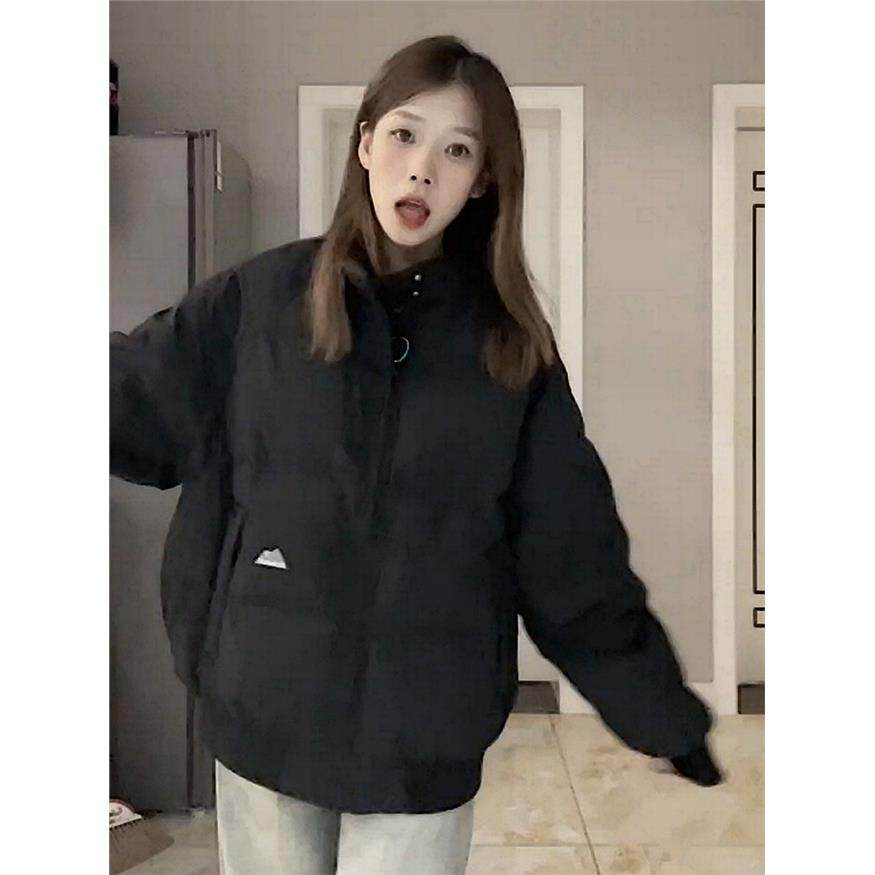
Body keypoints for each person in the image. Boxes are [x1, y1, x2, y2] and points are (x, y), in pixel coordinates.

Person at [110, 35, 723, 875]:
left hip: (420, 736)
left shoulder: (510, 353)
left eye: (457, 150)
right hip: (264, 712)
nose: (422, 170)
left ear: (483, 180)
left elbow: (570, 555)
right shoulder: (259, 302)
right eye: (404, 134)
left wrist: (656, 711)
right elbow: (135, 405)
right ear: (365, 143)